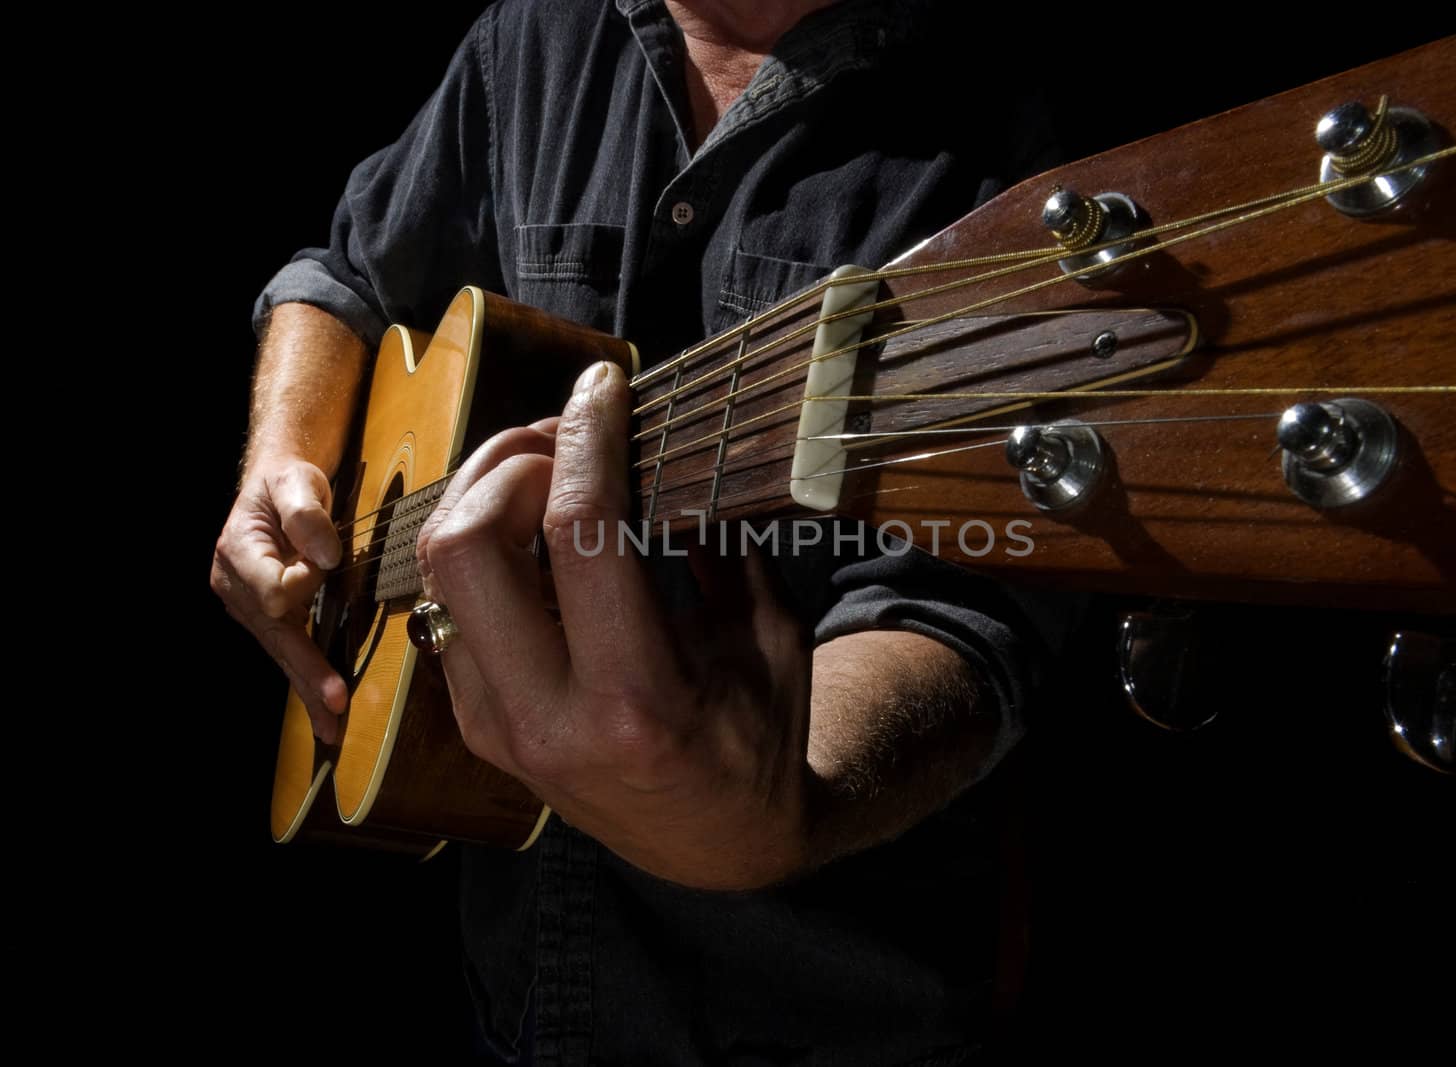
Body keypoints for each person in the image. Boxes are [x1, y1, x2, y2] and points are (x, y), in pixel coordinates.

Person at [213, 0, 1076, 1061]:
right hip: (509, 982)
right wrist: (283, 456)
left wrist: (783, 800)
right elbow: (342, 278)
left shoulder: (1018, 108)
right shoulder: (535, 37)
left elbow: (971, 605)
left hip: (825, 1018)